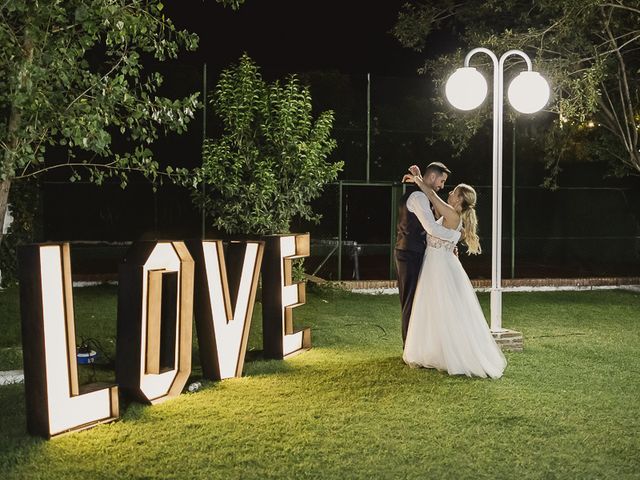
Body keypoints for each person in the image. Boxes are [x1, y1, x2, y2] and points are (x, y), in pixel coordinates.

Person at [402, 166, 507, 379]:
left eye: (453, 192)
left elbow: (431, 195)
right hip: (438, 262)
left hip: (439, 266)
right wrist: (421, 177)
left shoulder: (451, 212)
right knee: (438, 307)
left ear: (458, 200)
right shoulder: (452, 213)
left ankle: (450, 353)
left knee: (443, 307)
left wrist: (417, 179)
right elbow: (432, 203)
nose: (448, 192)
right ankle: (437, 349)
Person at [394, 162, 461, 346]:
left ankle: (419, 345)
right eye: (441, 180)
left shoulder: (423, 195)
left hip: (416, 252)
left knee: (419, 300)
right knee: (410, 300)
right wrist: (455, 237)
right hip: (408, 254)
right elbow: (431, 228)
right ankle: (409, 347)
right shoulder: (418, 197)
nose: (442, 185)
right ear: (432, 177)